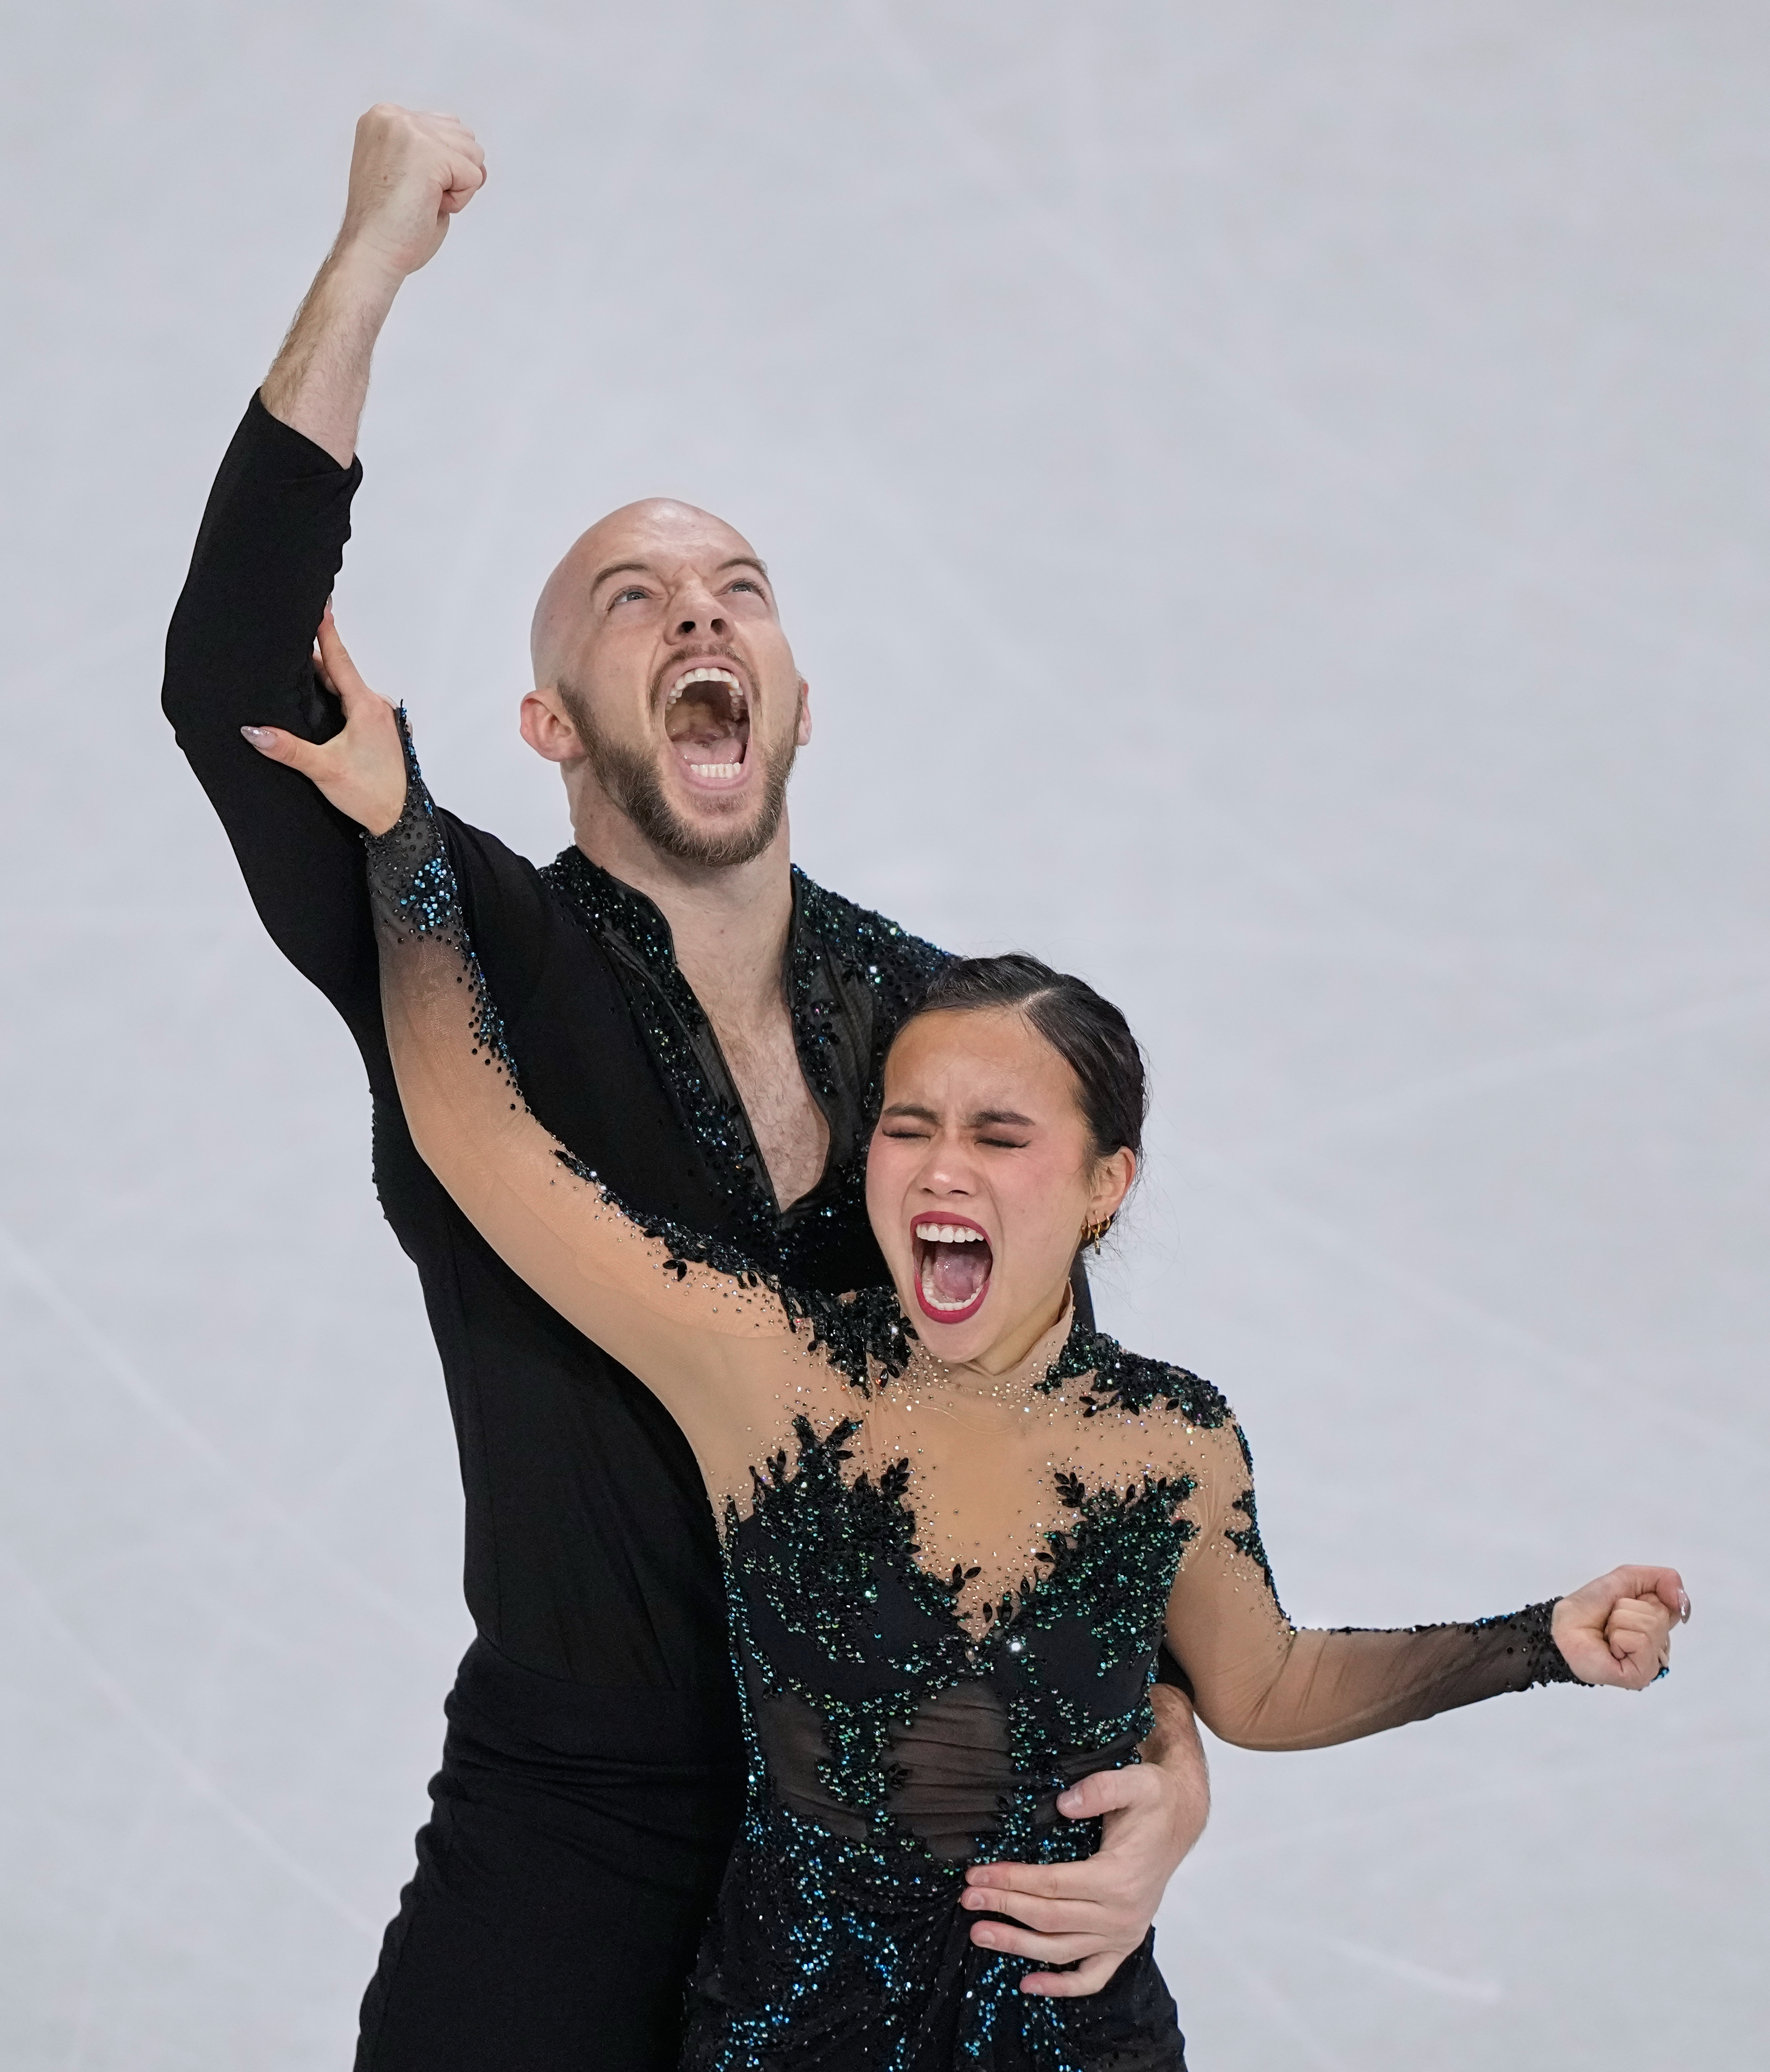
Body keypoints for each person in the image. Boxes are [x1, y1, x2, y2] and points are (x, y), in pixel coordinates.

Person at [162, 107, 1210, 2068]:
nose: (700, 615)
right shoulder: (460, 949)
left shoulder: (936, 1027)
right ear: (552, 723)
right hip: (580, 1833)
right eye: (633, 602)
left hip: (926, 1835)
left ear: (799, 696)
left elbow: (1055, 1440)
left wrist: (1170, 1774)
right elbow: (231, 658)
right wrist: (372, 261)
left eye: (737, 588)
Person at [296, 677, 1691, 2067]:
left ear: (1104, 1184)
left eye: (1000, 1132)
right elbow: (484, 1143)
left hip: (1073, 2041)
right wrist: (403, 837)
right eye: (909, 1126)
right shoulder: (774, 1374)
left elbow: (1263, 1684)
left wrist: (1539, 1644)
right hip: (793, 2034)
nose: (942, 1164)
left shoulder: (1169, 1442)